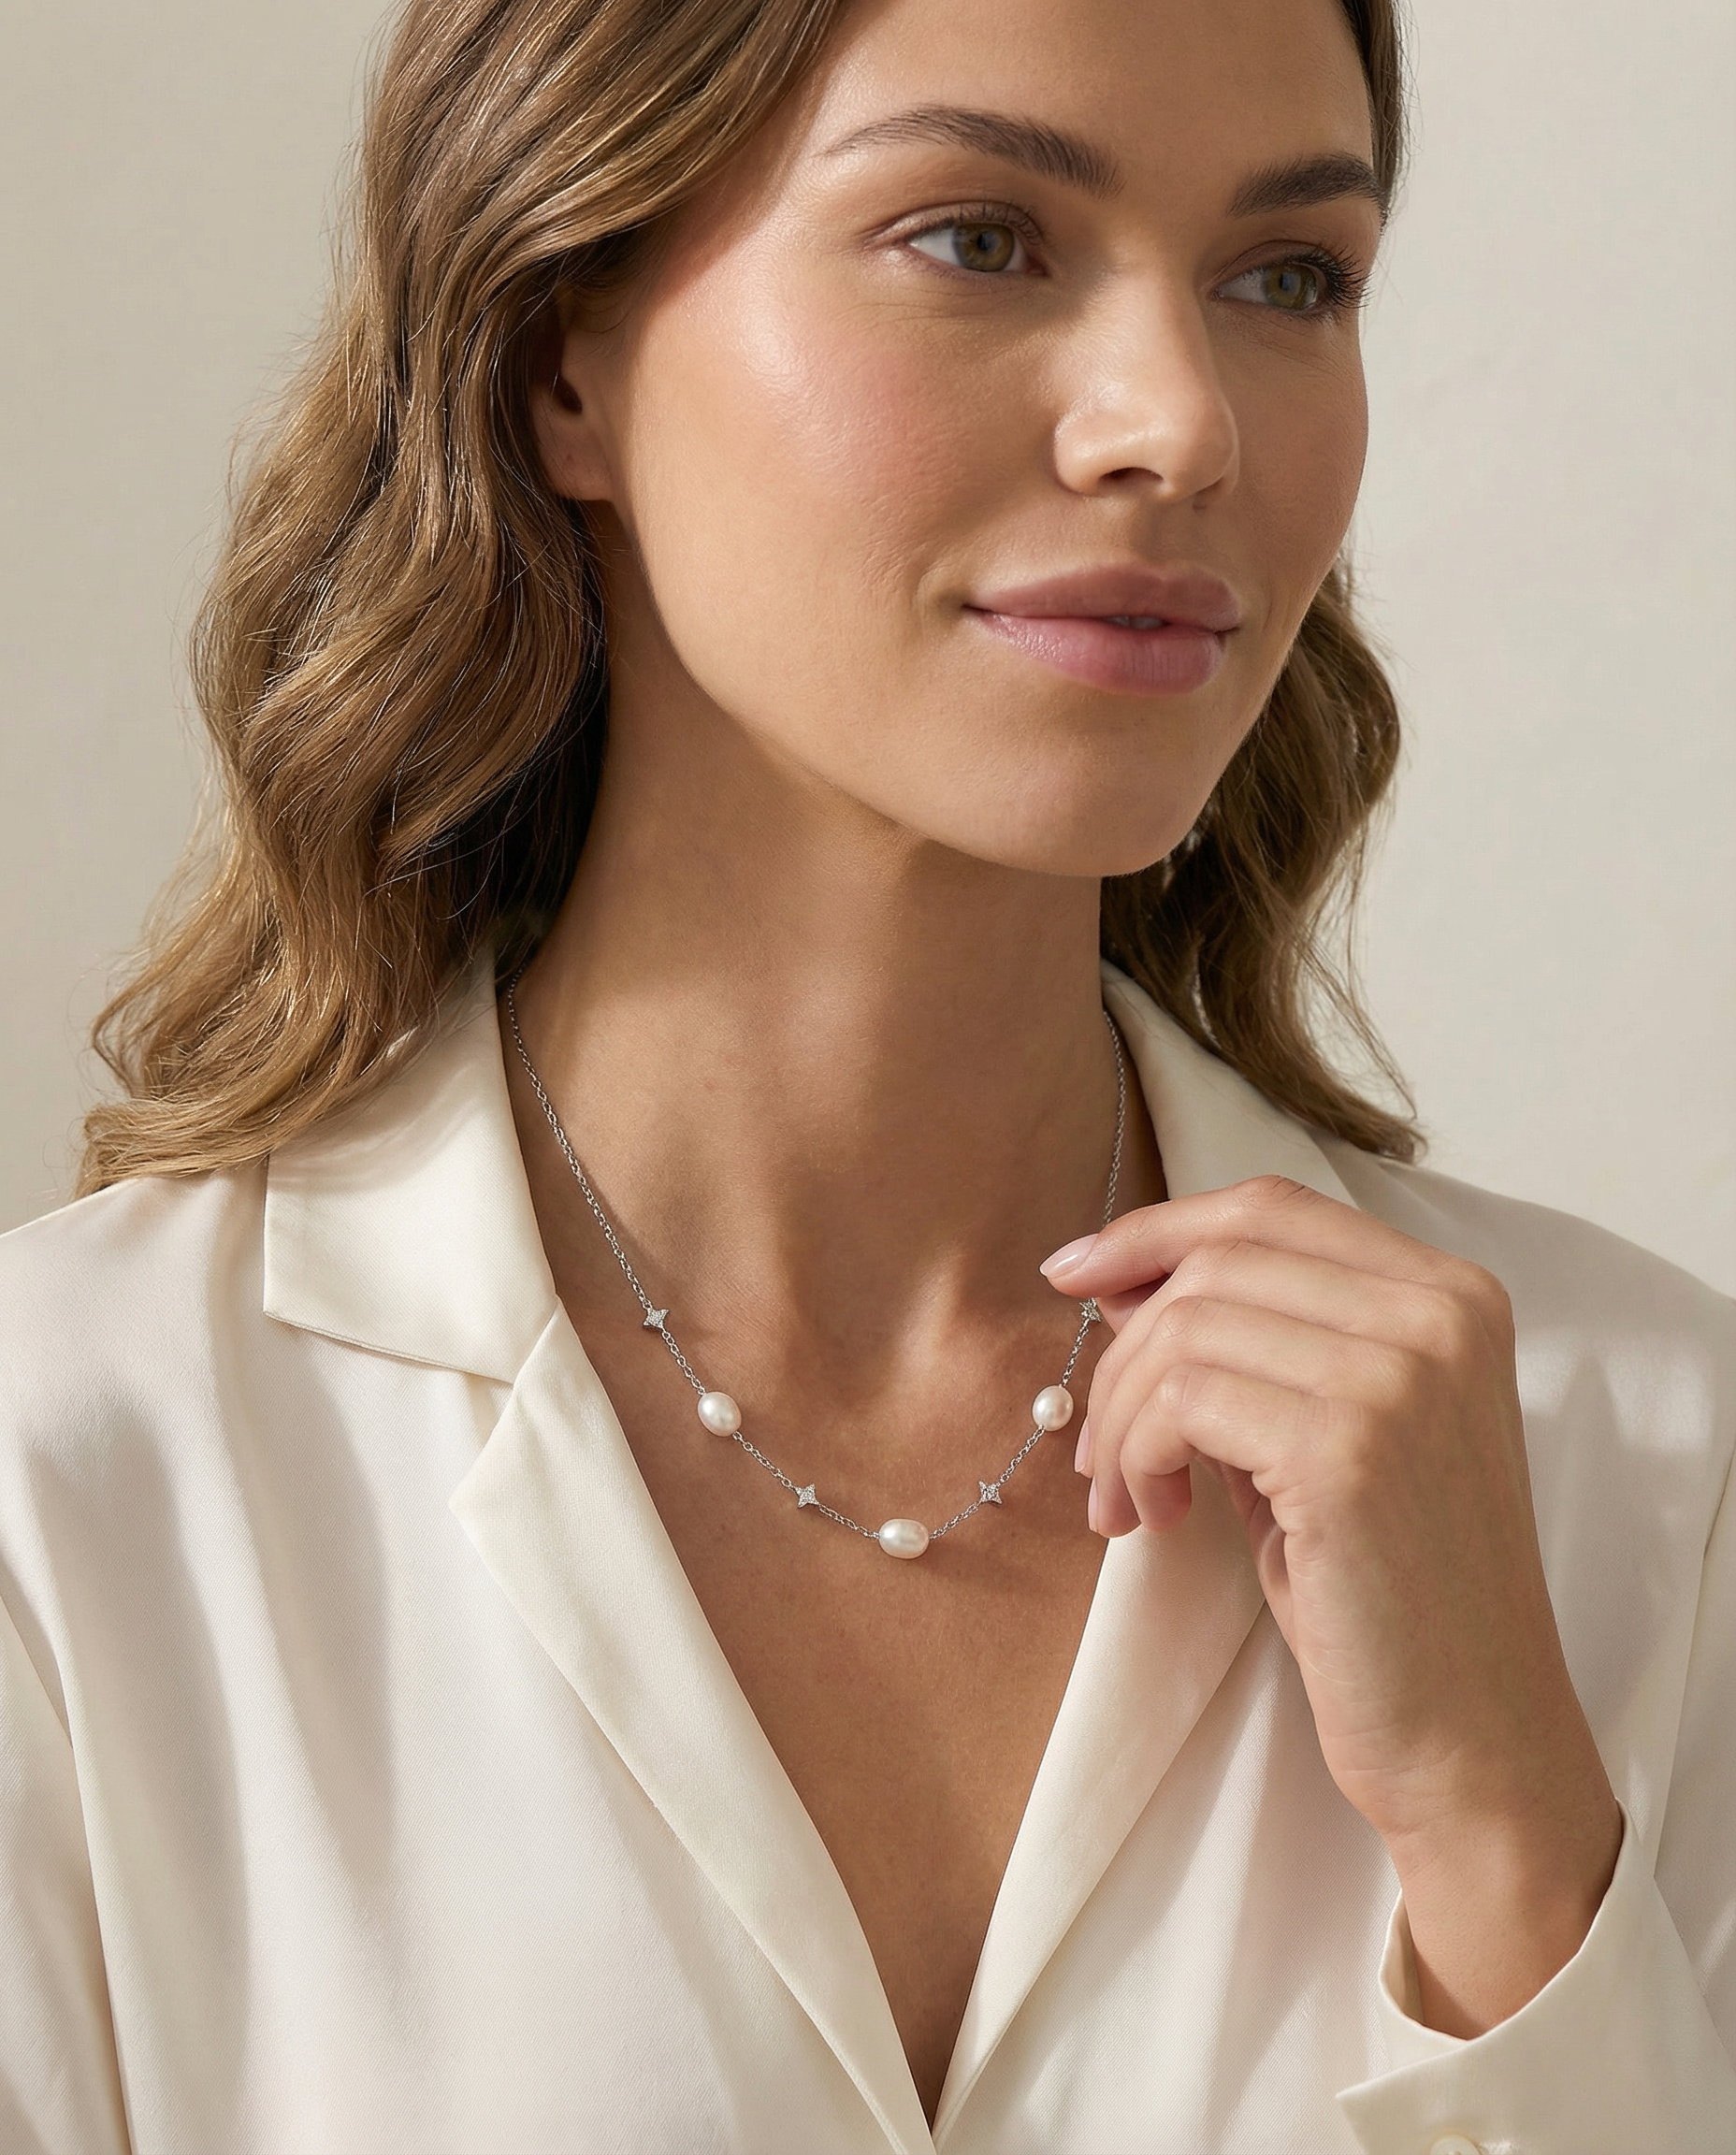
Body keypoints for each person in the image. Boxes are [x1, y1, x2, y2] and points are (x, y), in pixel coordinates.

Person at [2, 0, 1731, 2146]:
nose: (1178, 422)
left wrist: (1507, 1849)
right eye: (977, 239)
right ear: (558, 356)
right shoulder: (70, 1493)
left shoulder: (1645, 1473)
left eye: (1289, 276)